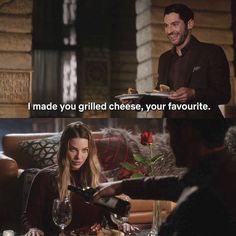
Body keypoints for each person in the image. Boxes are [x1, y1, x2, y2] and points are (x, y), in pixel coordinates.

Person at [94, 119, 236, 236]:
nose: (167, 142)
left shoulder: (205, 198)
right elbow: (175, 185)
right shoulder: (215, 173)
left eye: (170, 133)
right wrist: (121, 186)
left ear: (187, 133)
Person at [22, 122, 136, 236]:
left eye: (84, 150)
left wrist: (123, 224)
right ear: (64, 150)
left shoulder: (98, 178)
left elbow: (110, 215)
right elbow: (29, 217)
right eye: (73, 150)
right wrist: (33, 229)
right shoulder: (44, 178)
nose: (79, 157)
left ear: (89, 151)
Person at [129, 4, 231, 118]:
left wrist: (193, 93)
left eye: (174, 24)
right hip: (173, 128)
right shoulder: (164, 58)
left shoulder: (211, 52)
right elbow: (161, 96)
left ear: (190, 24)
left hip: (205, 127)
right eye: (166, 26)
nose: (169, 31)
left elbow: (224, 94)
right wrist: (137, 102)